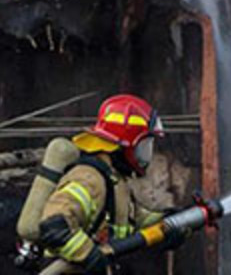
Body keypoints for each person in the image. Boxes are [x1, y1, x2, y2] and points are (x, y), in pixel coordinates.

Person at [36, 94, 176, 273]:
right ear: (127, 143)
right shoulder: (90, 179)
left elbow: (131, 220)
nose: (148, 153)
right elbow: (54, 226)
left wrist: (171, 223)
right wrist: (88, 255)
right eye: (145, 144)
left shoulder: (115, 180)